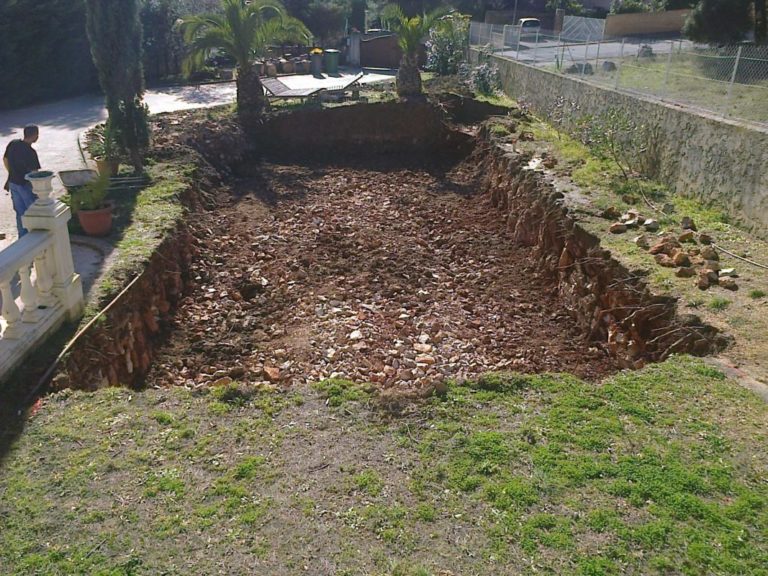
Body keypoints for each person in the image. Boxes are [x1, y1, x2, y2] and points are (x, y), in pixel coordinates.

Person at [3, 125, 41, 238]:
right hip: (25, 185)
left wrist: (11, 173)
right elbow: (35, 174)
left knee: (20, 212)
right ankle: (35, 236)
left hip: (13, 182)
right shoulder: (31, 152)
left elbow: (5, 160)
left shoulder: (13, 144)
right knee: (32, 210)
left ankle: (23, 236)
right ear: (35, 135)